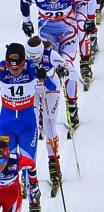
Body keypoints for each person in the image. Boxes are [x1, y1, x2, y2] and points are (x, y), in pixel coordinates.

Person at [0, 43, 57, 212]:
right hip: (5, 127)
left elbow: (52, 87)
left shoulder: (32, 68)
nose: (14, 70)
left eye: (18, 66)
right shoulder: (1, 69)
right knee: (2, 168)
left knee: (29, 168)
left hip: (27, 127)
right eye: (11, 66)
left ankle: (35, 211)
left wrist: (44, 77)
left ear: (24, 62)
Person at [20, 0, 88, 127]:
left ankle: (72, 107)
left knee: (70, 69)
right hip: (47, 35)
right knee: (42, 67)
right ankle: (42, 105)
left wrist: (87, 18)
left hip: (68, 32)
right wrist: (26, 21)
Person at [24, 37, 66, 190]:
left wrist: (63, 71)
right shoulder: (23, 57)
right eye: (30, 58)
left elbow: (67, 69)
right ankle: (28, 169)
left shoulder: (51, 54)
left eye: (36, 57)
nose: (32, 60)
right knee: (31, 127)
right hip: (33, 92)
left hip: (51, 90)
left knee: (49, 127)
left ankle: (54, 163)